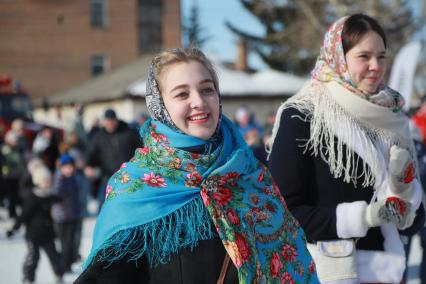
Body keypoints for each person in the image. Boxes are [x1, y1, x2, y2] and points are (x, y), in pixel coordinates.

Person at [75, 47, 318, 283]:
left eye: (207, 90)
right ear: (160, 107)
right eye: (182, 94)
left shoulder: (249, 174)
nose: (199, 101)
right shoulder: (136, 188)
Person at [268, 14, 425, 284]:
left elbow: (413, 221)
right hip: (325, 274)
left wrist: (404, 201)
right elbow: (282, 213)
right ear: (338, 58)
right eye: (364, 56)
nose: (376, 66)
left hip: (386, 274)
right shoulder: (304, 116)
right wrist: (363, 217)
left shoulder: (391, 117)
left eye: (382, 56)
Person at [6, 158, 64, 284]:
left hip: (48, 234)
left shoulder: (51, 196)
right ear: (37, 181)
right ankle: (28, 277)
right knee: (33, 257)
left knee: (54, 255)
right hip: (33, 235)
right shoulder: (32, 198)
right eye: (44, 181)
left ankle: (59, 274)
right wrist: (13, 228)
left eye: (48, 180)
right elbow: (23, 216)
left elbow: (59, 203)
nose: (47, 183)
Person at [84, 108, 142, 212]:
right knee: (105, 207)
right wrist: (88, 165)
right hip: (108, 177)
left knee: (129, 207)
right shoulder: (99, 136)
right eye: (107, 122)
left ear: (116, 120)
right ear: (104, 122)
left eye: (112, 121)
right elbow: (91, 153)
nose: (110, 124)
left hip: (128, 176)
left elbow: (141, 149)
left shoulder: (129, 133)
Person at [51, 154, 81, 273]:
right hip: (62, 217)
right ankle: (64, 265)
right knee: (64, 242)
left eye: (71, 167)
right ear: (61, 168)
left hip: (72, 215)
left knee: (71, 241)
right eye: (66, 168)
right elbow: (56, 195)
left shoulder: (73, 178)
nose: (69, 170)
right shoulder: (59, 179)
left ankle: (68, 263)